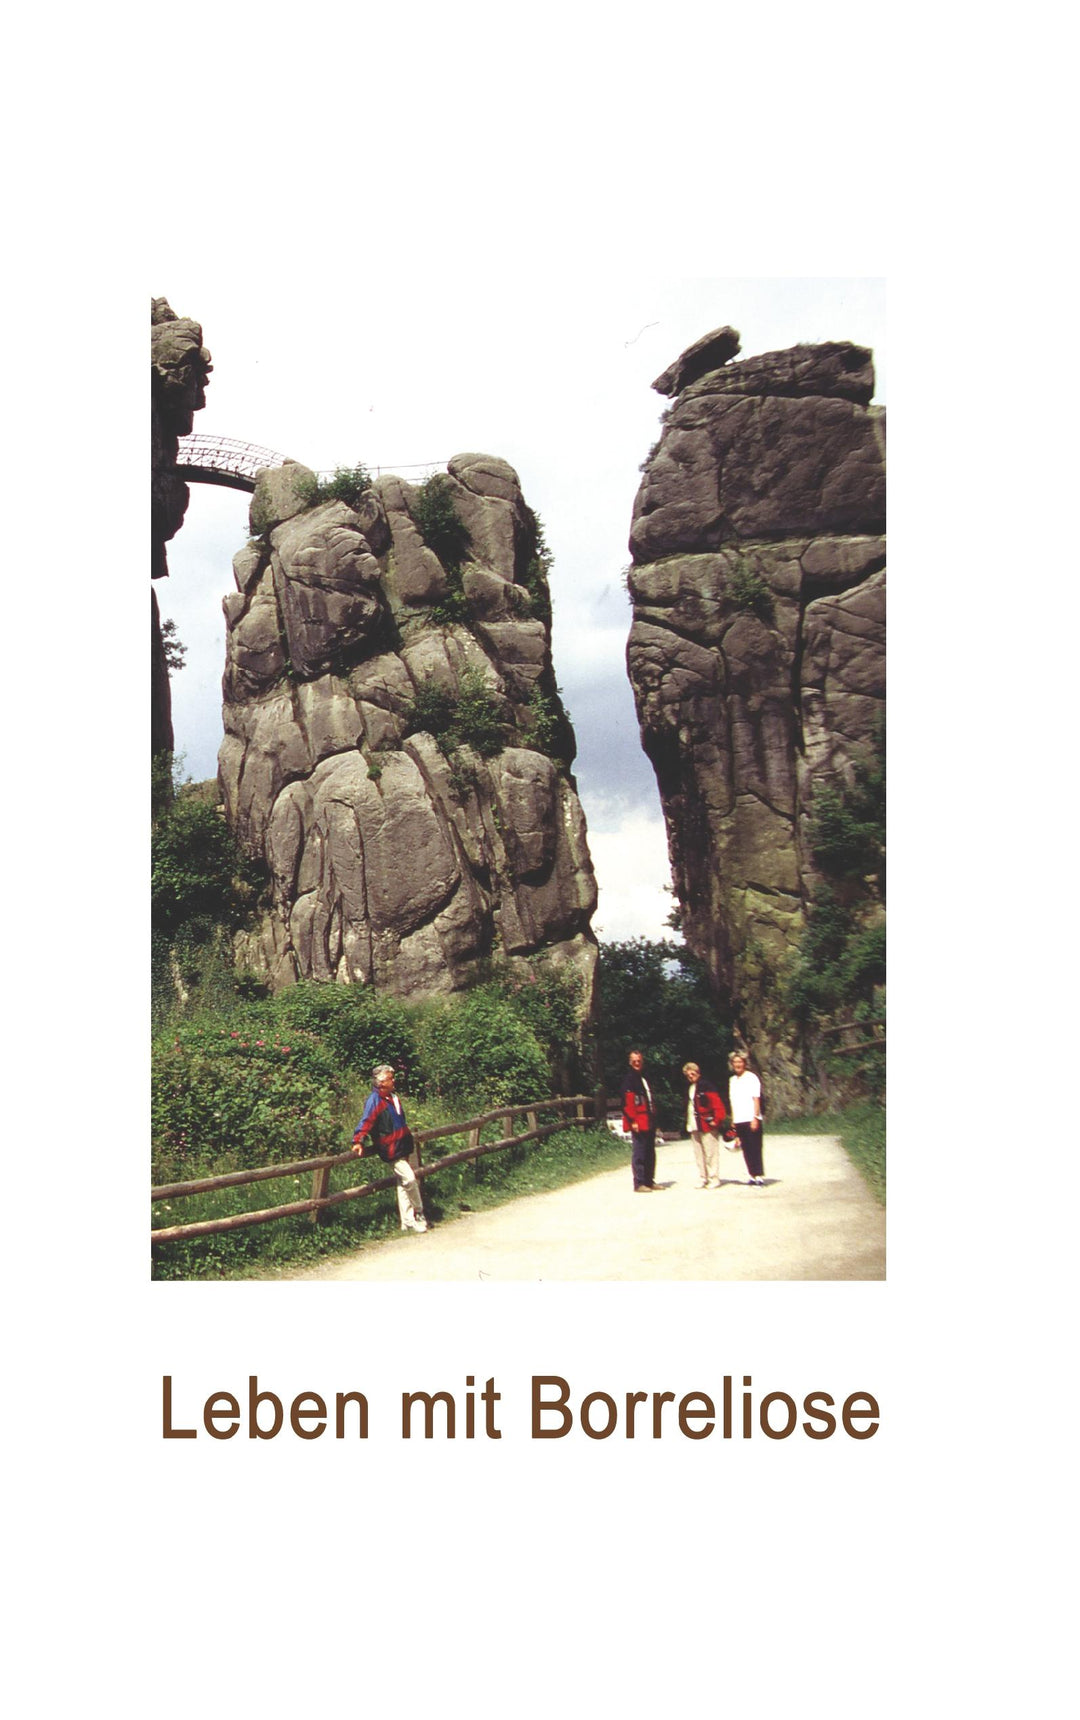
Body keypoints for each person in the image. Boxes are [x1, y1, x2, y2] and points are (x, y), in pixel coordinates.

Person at [351, 1064, 429, 1233]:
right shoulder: (375, 1101)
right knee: (410, 1179)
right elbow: (366, 1121)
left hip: (402, 1145)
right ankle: (419, 1212)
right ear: (381, 1083)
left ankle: (407, 1221)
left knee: (403, 1183)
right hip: (391, 1148)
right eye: (390, 1078)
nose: (394, 1081)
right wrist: (358, 1140)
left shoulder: (393, 1097)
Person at [682, 1062, 728, 1188]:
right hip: (693, 1124)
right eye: (688, 1075)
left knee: (710, 1153)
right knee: (698, 1153)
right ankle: (703, 1177)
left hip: (706, 1124)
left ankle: (714, 1178)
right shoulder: (690, 1088)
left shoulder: (707, 1086)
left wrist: (716, 1120)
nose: (691, 1076)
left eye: (693, 1074)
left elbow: (717, 1104)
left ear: (698, 1073)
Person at [621, 1048, 658, 1191]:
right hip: (638, 1121)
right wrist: (633, 1121)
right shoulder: (629, 1080)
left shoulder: (645, 1077)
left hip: (649, 1119)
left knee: (650, 1152)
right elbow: (627, 1103)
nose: (637, 1063)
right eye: (634, 1061)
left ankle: (649, 1181)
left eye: (639, 1061)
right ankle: (639, 1183)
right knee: (639, 1153)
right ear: (630, 1062)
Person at [728, 1049, 765, 1185]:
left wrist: (755, 1117)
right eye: (735, 1062)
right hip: (739, 1119)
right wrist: (733, 1120)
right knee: (745, 1148)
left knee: (755, 1147)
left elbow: (756, 1099)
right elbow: (733, 1101)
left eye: (740, 1062)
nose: (737, 1064)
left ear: (744, 1063)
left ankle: (759, 1175)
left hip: (751, 1118)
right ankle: (752, 1175)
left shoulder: (751, 1077)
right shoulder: (732, 1080)